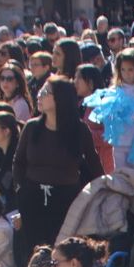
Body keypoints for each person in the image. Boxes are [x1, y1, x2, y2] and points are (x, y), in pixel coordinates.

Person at [13, 77, 101, 255]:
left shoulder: (79, 129)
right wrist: (21, 193)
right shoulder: (31, 128)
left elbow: (94, 165)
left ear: (61, 98)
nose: (39, 96)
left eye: (45, 93)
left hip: (65, 200)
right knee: (32, 253)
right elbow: (19, 162)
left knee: (61, 252)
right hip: (33, 198)